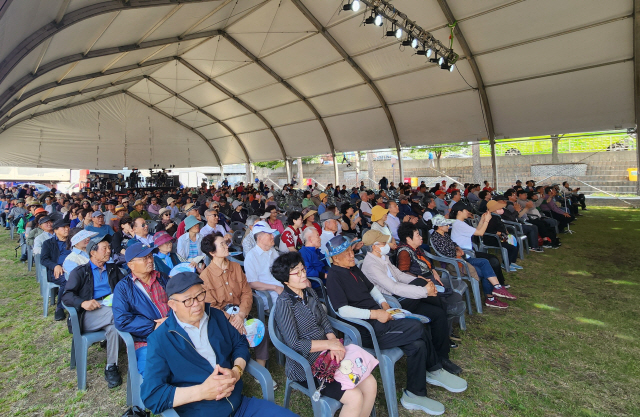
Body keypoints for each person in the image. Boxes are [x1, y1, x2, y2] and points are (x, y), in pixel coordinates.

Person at [325, 236, 466, 415]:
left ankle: (414, 394)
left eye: (351, 250)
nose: (352, 255)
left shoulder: (353, 268)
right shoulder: (334, 276)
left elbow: (371, 289)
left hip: (381, 319)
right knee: (417, 327)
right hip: (368, 331)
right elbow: (342, 310)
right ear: (335, 258)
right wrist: (375, 314)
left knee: (417, 344)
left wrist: (383, 303)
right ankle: (434, 369)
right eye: (346, 253)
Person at [140, 272, 297, 417]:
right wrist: (202, 391)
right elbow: (152, 396)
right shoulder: (160, 339)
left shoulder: (214, 316)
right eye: (188, 300)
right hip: (201, 412)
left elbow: (240, 342)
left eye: (200, 295)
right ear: (172, 305)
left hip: (240, 407)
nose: (197, 304)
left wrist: (236, 371)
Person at [272, 252, 378, 417]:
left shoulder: (309, 292)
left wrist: (334, 343)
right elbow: (294, 344)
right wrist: (330, 345)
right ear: (285, 280)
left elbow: (324, 321)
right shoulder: (284, 304)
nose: (303, 275)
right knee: (355, 397)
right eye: (297, 273)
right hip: (306, 366)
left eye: (303, 270)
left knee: (370, 383)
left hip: (329, 355)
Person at [360, 230, 461, 375]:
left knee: (438, 313)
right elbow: (393, 287)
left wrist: (419, 280)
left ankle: (442, 356)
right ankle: (446, 306)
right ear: (374, 246)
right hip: (394, 301)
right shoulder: (371, 265)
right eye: (383, 243)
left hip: (404, 295)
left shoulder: (383, 257)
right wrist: (423, 291)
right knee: (427, 290)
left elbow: (400, 275)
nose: (387, 245)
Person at [62, 234, 125, 388]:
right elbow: (66, 296)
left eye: (109, 247)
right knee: (117, 314)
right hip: (89, 314)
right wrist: (83, 302)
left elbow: (124, 286)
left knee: (114, 328)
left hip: (111, 309)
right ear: (93, 252)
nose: (109, 251)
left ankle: (111, 366)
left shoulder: (112, 269)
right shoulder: (81, 271)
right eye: (105, 248)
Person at [200, 233, 271, 369]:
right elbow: (211, 306)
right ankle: (234, 366)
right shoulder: (205, 276)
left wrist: (241, 314)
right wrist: (232, 319)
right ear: (212, 252)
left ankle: (261, 368)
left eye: (225, 243)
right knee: (229, 336)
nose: (226, 246)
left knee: (262, 330)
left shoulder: (236, 267)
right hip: (222, 319)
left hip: (240, 314)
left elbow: (246, 293)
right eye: (222, 244)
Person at [429, 215, 516, 309]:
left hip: (461, 259)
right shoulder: (436, 238)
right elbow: (446, 253)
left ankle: (497, 287)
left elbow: (453, 243)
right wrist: (456, 252)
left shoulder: (444, 234)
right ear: (440, 226)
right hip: (454, 264)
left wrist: (458, 248)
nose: (448, 226)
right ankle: (491, 298)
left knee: (485, 262)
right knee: (484, 272)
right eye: (446, 225)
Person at [113, 242, 170, 377]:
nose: (150, 260)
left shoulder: (162, 278)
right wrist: (153, 326)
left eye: (150, 256)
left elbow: (178, 301)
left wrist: (170, 319)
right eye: (144, 258)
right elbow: (122, 320)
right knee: (154, 373)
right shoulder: (123, 288)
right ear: (131, 265)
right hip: (146, 340)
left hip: (172, 331)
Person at [450, 206, 509, 288]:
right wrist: (487, 220)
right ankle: (497, 285)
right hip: (465, 255)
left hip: (468, 252)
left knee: (493, 259)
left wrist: (482, 220)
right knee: (493, 261)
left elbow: (476, 231)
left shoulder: (460, 223)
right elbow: (480, 233)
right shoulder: (459, 225)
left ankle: (497, 284)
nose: (468, 212)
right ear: (459, 212)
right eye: (466, 210)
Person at [244, 221, 283, 309]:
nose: (273, 236)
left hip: (281, 288)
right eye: (269, 234)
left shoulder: (272, 251)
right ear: (259, 238)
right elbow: (252, 283)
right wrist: (275, 287)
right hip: (270, 295)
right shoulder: (251, 256)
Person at [41, 219, 72, 321]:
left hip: (74, 267)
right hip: (58, 271)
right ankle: (60, 307)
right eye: (64, 227)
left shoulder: (73, 241)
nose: (67, 229)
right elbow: (44, 259)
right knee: (67, 280)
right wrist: (55, 266)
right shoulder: (48, 243)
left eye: (68, 226)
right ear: (55, 230)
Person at [484, 200, 521, 271]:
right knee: (511, 247)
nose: (502, 210)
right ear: (494, 210)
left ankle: (512, 261)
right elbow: (489, 230)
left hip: (501, 237)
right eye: (499, 208)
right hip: (493, 239)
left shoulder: (497, 217)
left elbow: (501, 227)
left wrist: (506, 233)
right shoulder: (491, 218)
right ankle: (505, 264)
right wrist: (500, 234)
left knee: (516, 244)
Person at [299, 227, 330, 295]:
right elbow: (307, 271)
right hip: (318, 285)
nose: (320, 239)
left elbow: (327, 261)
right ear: (310, 239)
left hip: (328, 279)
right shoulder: (303, 253)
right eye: (317, 236)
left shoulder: (316, 251)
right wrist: (325, 275)